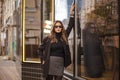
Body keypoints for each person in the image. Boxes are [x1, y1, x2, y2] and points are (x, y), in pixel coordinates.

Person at [38, 2, 75, 80]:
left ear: (62, 28)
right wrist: (43, 59)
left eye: (60, 26)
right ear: (54, 28)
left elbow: (70, 26)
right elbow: (40, 49)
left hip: (60, 63)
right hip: (50, 63)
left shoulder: (64, 37)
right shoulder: (48, 38)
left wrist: (71, 14)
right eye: (56, 26)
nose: (58, 28)